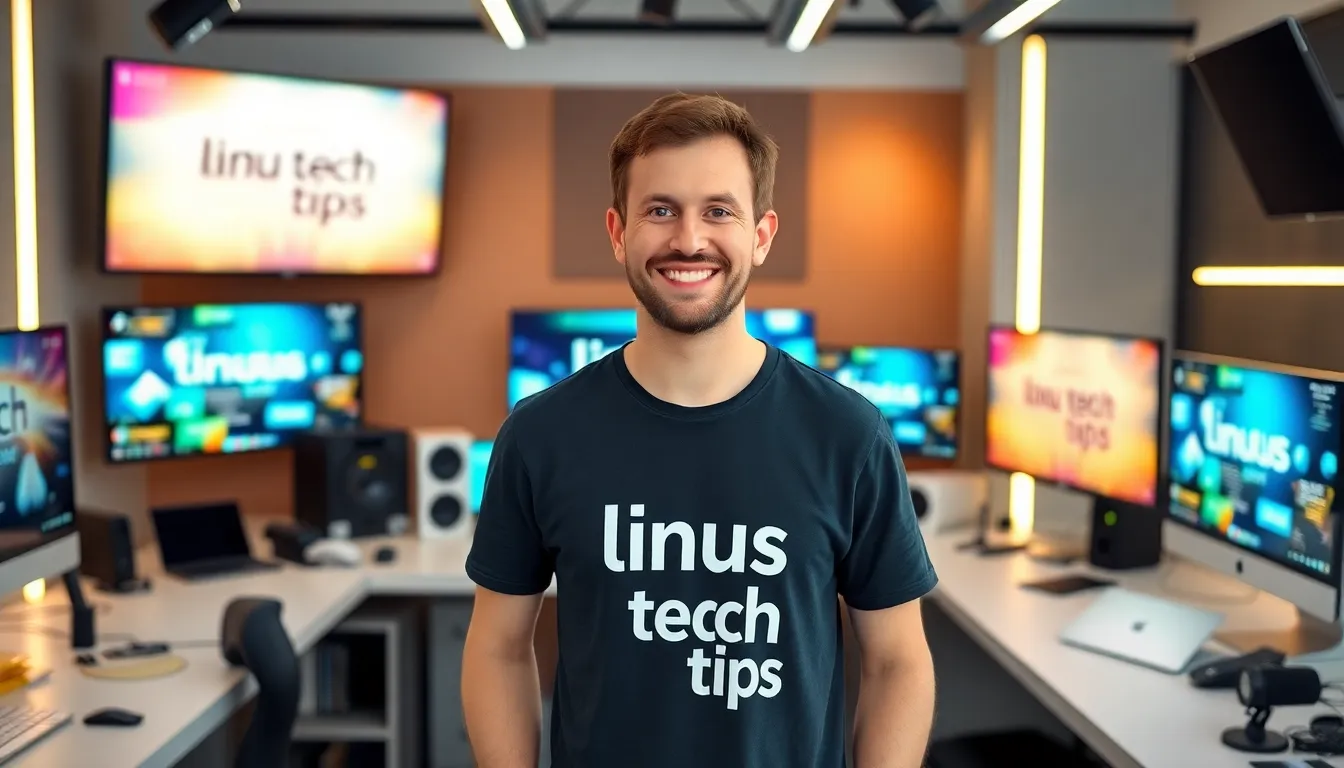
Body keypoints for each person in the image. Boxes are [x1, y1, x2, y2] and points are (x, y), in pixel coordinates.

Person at [461, 92, 938, 768]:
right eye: (660, 210)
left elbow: (898, 664)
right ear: (618, 231)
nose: (689, 239)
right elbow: (497, 648)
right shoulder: (541, 435)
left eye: (719, 211)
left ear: (762, 235)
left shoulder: (848, 435)